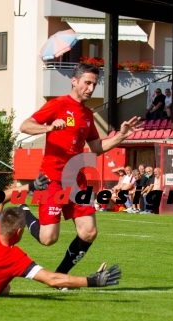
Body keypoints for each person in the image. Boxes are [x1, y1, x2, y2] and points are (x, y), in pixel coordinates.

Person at [17, 63, 139, 281]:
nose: (91, 88)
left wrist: (121, 136)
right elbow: (25, 126)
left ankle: (60, 276)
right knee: (48, 239)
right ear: (74, 81)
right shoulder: (58, 104)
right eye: (87, 83)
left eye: (94, 84)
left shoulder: (87, 115)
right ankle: (24, 210)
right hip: (51, 179)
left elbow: (96, 148)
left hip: (76, 180)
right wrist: (49, 128)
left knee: (89, 232)